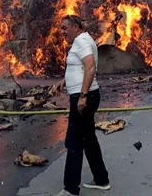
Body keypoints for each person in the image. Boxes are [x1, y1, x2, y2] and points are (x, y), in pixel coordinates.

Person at [54, 15, 110, 196]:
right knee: (88, 139)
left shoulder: (82, 42)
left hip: (84, 96)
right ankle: (101, 180)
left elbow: (90, 67)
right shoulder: (82, 41)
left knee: (74, 141)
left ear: (75, 27)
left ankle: (70, 189)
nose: (62, 32)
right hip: (84, 94)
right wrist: (64, 81)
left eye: (64, 28)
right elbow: (79, 67)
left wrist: (83, 96)